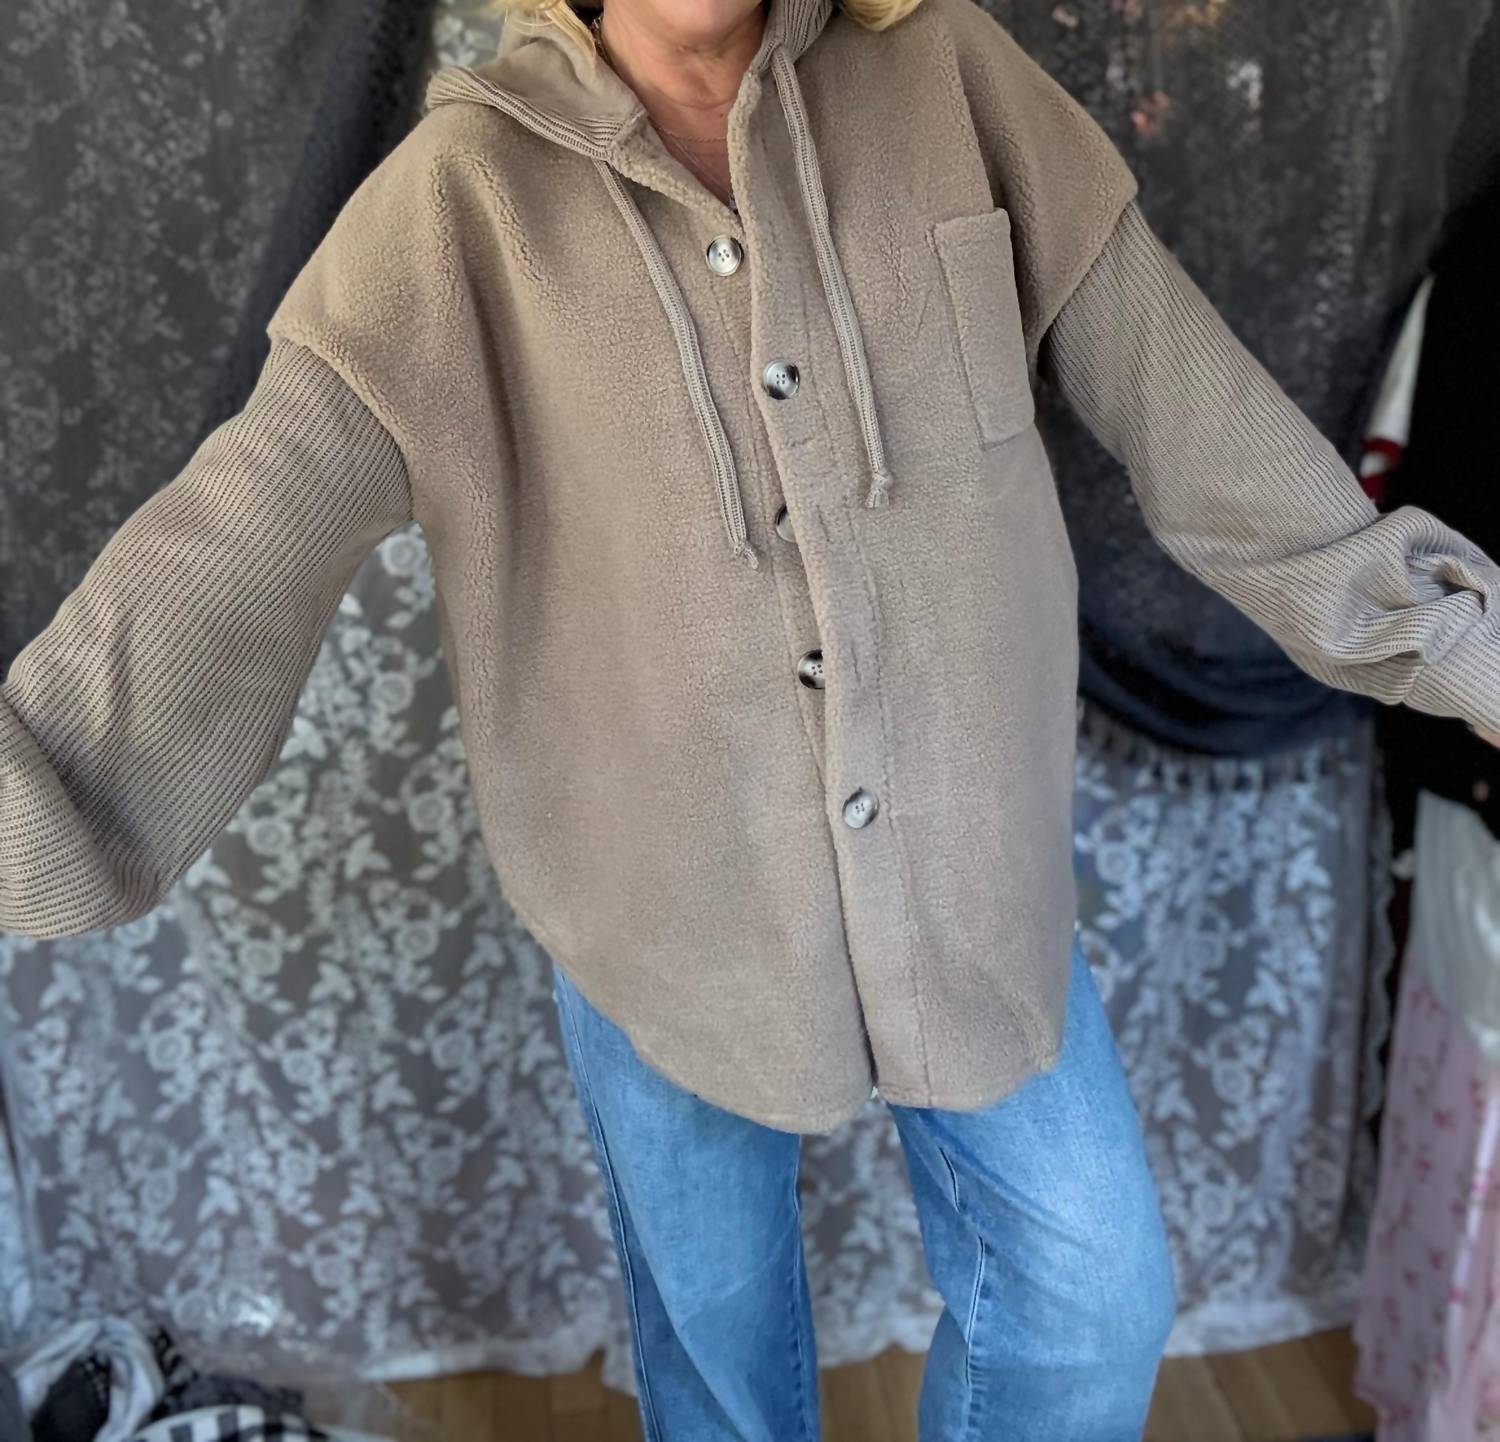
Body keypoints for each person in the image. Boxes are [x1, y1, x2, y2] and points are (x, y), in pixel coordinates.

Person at [3, 0, 1498, 1435]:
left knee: (1094, 1295)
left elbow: (1203, 418)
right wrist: (39, 788)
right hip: (657, 924)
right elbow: (239, 528)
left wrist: (1463, 650)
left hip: (972, 883)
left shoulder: (954, 79)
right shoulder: (459, 198)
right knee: (717, 1374)